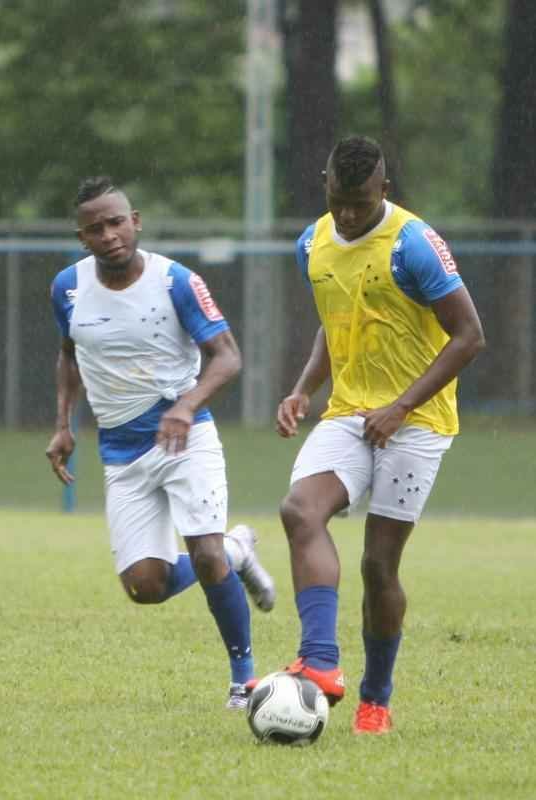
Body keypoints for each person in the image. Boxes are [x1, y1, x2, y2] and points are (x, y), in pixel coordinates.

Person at [274, 135, 485, 733]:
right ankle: (319, 663)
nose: (347, 215)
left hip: (416, 421)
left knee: (377, 566)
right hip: (348, 410)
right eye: (339, 200)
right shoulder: (311, 243)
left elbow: (470, 336)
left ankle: (376, 699)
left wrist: (401, 406)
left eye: (361, 204)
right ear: (325, 184)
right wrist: (302, 389)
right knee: (299, 511)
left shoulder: (413, 244)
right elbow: (332, 323)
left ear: (384, 192)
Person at [45, 176, 275, 710]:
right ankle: (239, 548)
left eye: (116, 222)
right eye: (95, 228)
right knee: (144, 586)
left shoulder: (176, 281)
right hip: (120, 451)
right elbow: (68, 355)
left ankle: (244, 677)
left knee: (205, 553)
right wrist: (63, 424)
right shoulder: (67, 288)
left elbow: (227, 356)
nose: (108, 235)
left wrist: (186, 406)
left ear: (136, 221)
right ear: (82, 238)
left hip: (184, 436)